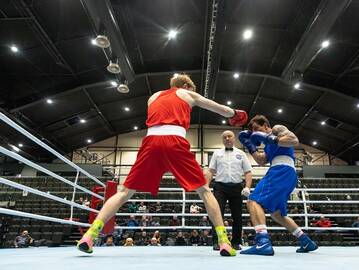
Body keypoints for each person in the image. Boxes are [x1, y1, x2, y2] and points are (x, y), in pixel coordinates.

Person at [77, 74, 247, 256]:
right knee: (205, 191)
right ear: (186, 86)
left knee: (124, 192)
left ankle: (89, 234)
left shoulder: (153, 97)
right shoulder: (187, 93)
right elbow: (219, 108)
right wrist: (235, 114)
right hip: (174, 141)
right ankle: (223, 241)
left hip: (150, 142)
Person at [238, 115, 317, 255]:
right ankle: (305, 241)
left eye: (257, 128)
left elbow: (294, 140)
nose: (255, 132)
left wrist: (270, 137)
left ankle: (262, 242)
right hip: (286, 174)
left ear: (266, 125)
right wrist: (250, 146)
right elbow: (262, 160)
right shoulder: (268, 145)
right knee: (277, 214)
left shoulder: (277, 129)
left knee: (252, 201)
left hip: (281, 171)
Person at [206, 130, 253, 250]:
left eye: (229, 136)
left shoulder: (241, 153)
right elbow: (211, 171)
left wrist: (247, 187)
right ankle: (217, 242)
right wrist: (206, 185)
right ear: (222, 140)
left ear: (234, 138)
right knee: (217, 214)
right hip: (220, 187)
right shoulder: (217, 153)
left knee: (237, 216)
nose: (227, 138)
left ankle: (236, 242)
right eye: (225, 137)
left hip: (237, 188)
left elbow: (248, 172)